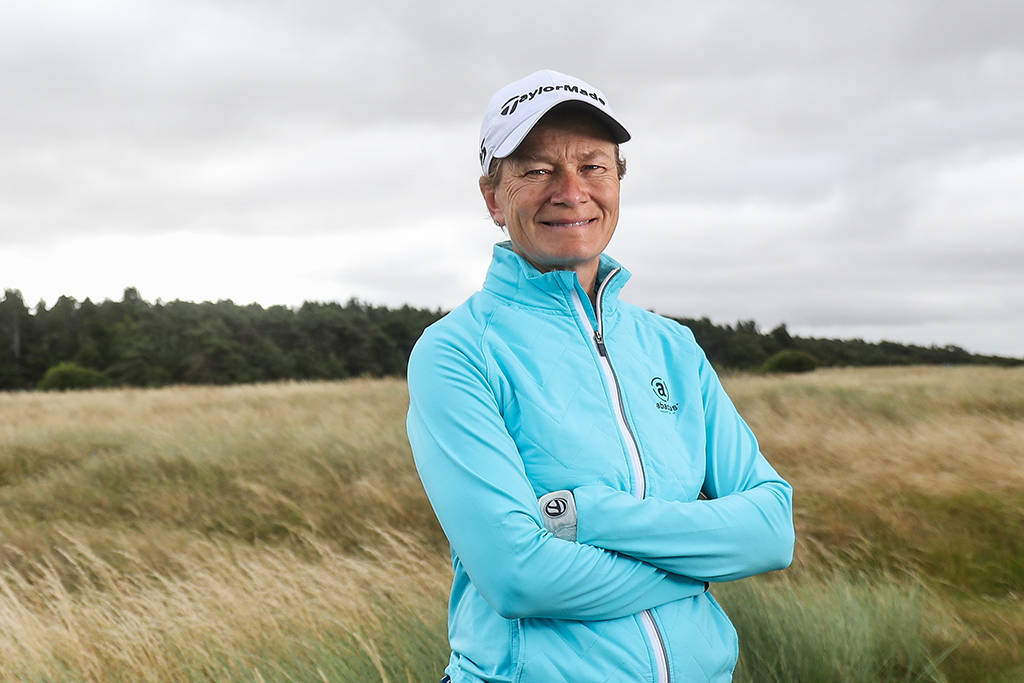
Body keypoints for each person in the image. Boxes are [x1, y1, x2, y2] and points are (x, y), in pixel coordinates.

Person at [406, 69, 794, 683]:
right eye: (537, 170)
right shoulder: (456, 351)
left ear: (617, 182)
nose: (571, 191)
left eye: (593, 166)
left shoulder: (672, 347)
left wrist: (588, 514)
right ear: (493, 198)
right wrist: (699, 566)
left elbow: (771, 531)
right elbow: (519, 577)